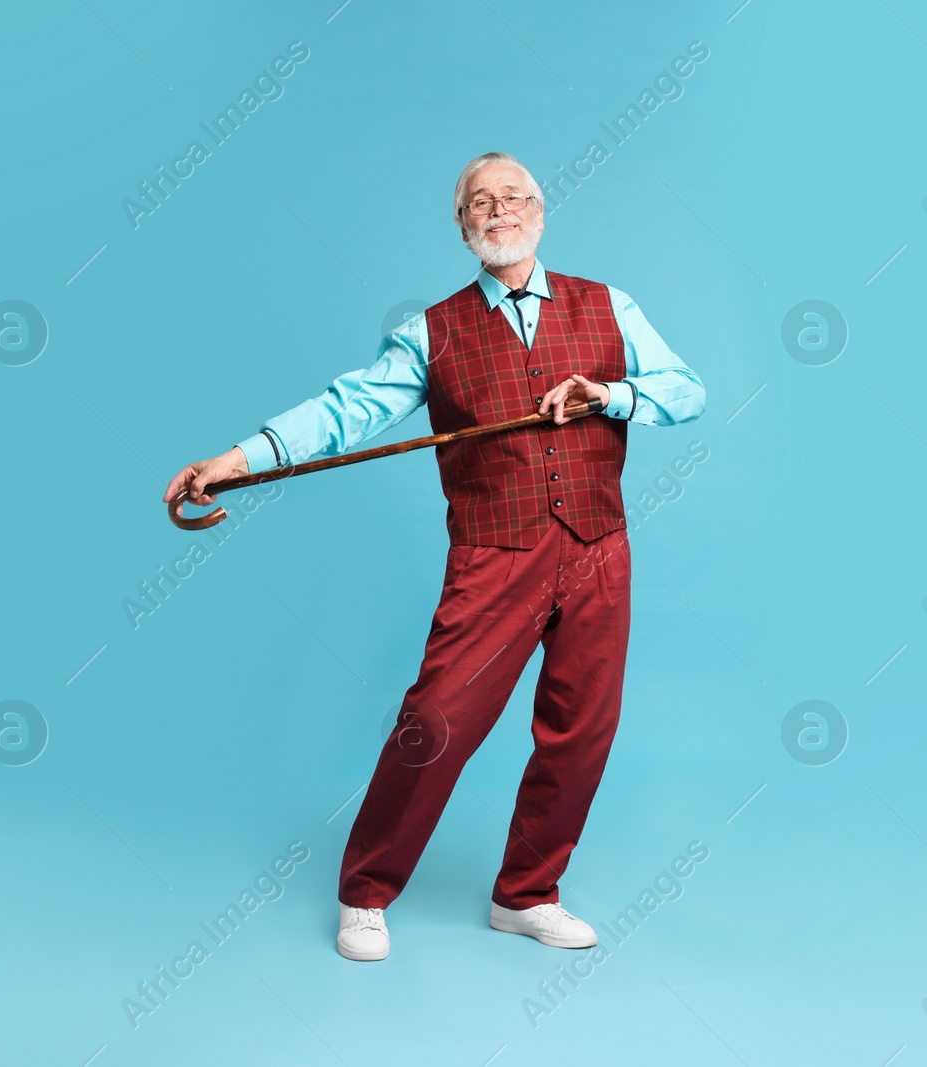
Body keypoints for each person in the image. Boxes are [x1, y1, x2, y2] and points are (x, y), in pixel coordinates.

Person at [162, 151, 705, 961]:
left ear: (540, 211)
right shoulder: (432, 329)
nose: (499, 210)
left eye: (514, 196)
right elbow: (343, 412)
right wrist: (236, 460)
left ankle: (527, 893)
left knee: (582, 730)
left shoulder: (609, 306)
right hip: (494, 555)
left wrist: (608, 394)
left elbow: (687, 388)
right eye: (480, 201)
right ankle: (365, 890)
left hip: (599, 547)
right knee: (436, 722)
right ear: (462, 226)